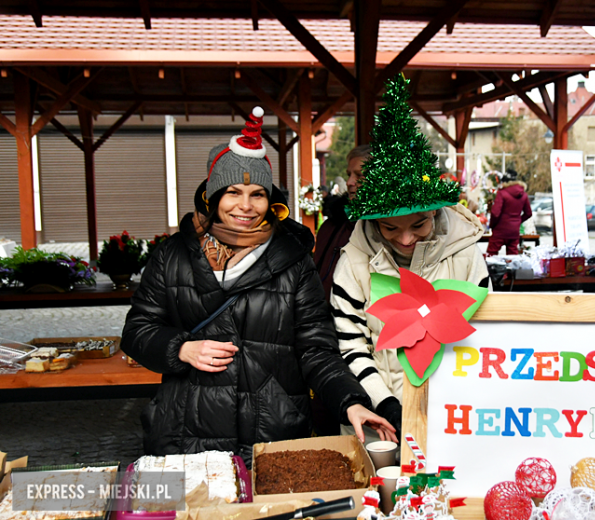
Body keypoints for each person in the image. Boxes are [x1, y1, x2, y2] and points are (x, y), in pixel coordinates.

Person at [122, 107, 395, 465]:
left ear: (271, 201)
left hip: (272, 432)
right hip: (186, 429)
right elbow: (136, 331)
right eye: (233, 192)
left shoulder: (294, 261)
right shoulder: (173, 255)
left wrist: (351, 402)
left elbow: (316, 348)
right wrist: (181, 349)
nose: (246, 206)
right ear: (213, 195)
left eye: (258, 194)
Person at [329, 75, 489, 438]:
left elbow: (483, 336)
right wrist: (385, 402)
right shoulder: (352, 262)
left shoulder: (466, 256)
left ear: (436, 211)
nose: (406, 240)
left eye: (419, 225)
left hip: (454, 415)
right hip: (378, 420)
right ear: (372, 221)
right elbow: (350, 341)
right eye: (389, 229)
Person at [313, 145, 371, 297]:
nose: (350, 182)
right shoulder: (330, 227)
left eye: (359, 175)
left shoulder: (395, 231)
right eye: (349, 175)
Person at [487, 168, 532, 256]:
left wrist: (492, 225)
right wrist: (517, 221)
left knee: (491, 254)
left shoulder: (502, 193)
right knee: (512, 257)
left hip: (500, 230)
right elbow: (528, 213)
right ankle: (510, 270)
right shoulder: (523, 194)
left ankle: (491, 270)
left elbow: (495, 213)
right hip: (514, 231)